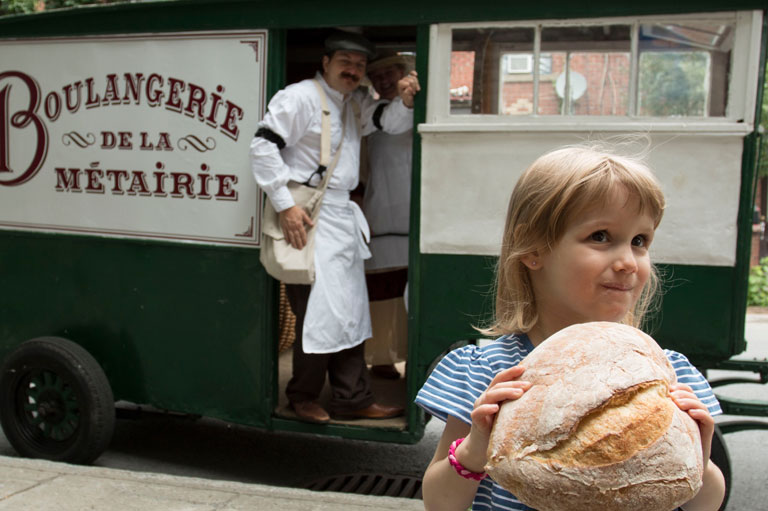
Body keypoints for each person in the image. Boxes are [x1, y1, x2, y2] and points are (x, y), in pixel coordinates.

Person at [415, 144, 726, 511]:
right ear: (533, 248)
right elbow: (439, 503)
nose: (628, 261)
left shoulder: (670, 375)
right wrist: (474, 450)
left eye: (639, 241)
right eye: (601, 237)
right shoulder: (485, 374)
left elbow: (705, 505)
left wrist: (698, 460)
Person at [250, 31, 420, 424]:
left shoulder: (353, 102)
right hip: (308, 215)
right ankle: (303, 395)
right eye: (345, 60)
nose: (353, 69)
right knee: (316, 311)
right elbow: (262, 146)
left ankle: (352, 396)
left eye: (360, 64)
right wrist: (285, 205)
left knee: (350, 311)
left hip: (341, 216)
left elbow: (388, 122)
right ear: (325, 62)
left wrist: (406, 101)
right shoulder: (300, 97)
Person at [362, 52, 415, 380]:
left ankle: (415, 363)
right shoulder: (371, 111)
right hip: (379, 214)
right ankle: (381, 361)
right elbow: (395, 118)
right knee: (382, 294)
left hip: (418, 217)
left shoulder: (420, 106)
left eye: (390, 73)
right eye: (376, 75)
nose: (383, 80)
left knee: (414, 297)